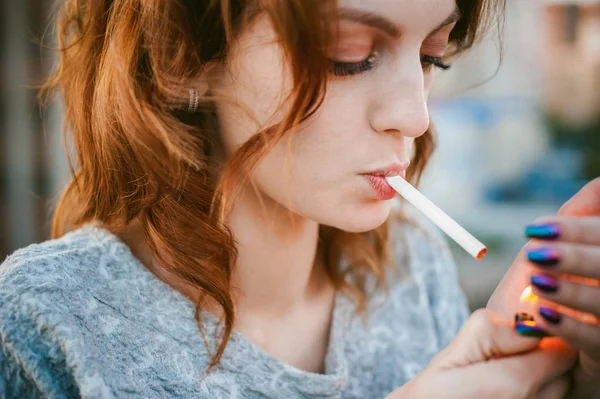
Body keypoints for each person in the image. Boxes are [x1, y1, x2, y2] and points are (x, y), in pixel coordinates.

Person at [0, 0, 598, 397]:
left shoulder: (411, 272)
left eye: (430, 56)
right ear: (184, 55)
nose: (414, 116)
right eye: (350, 55)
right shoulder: (47, 322)